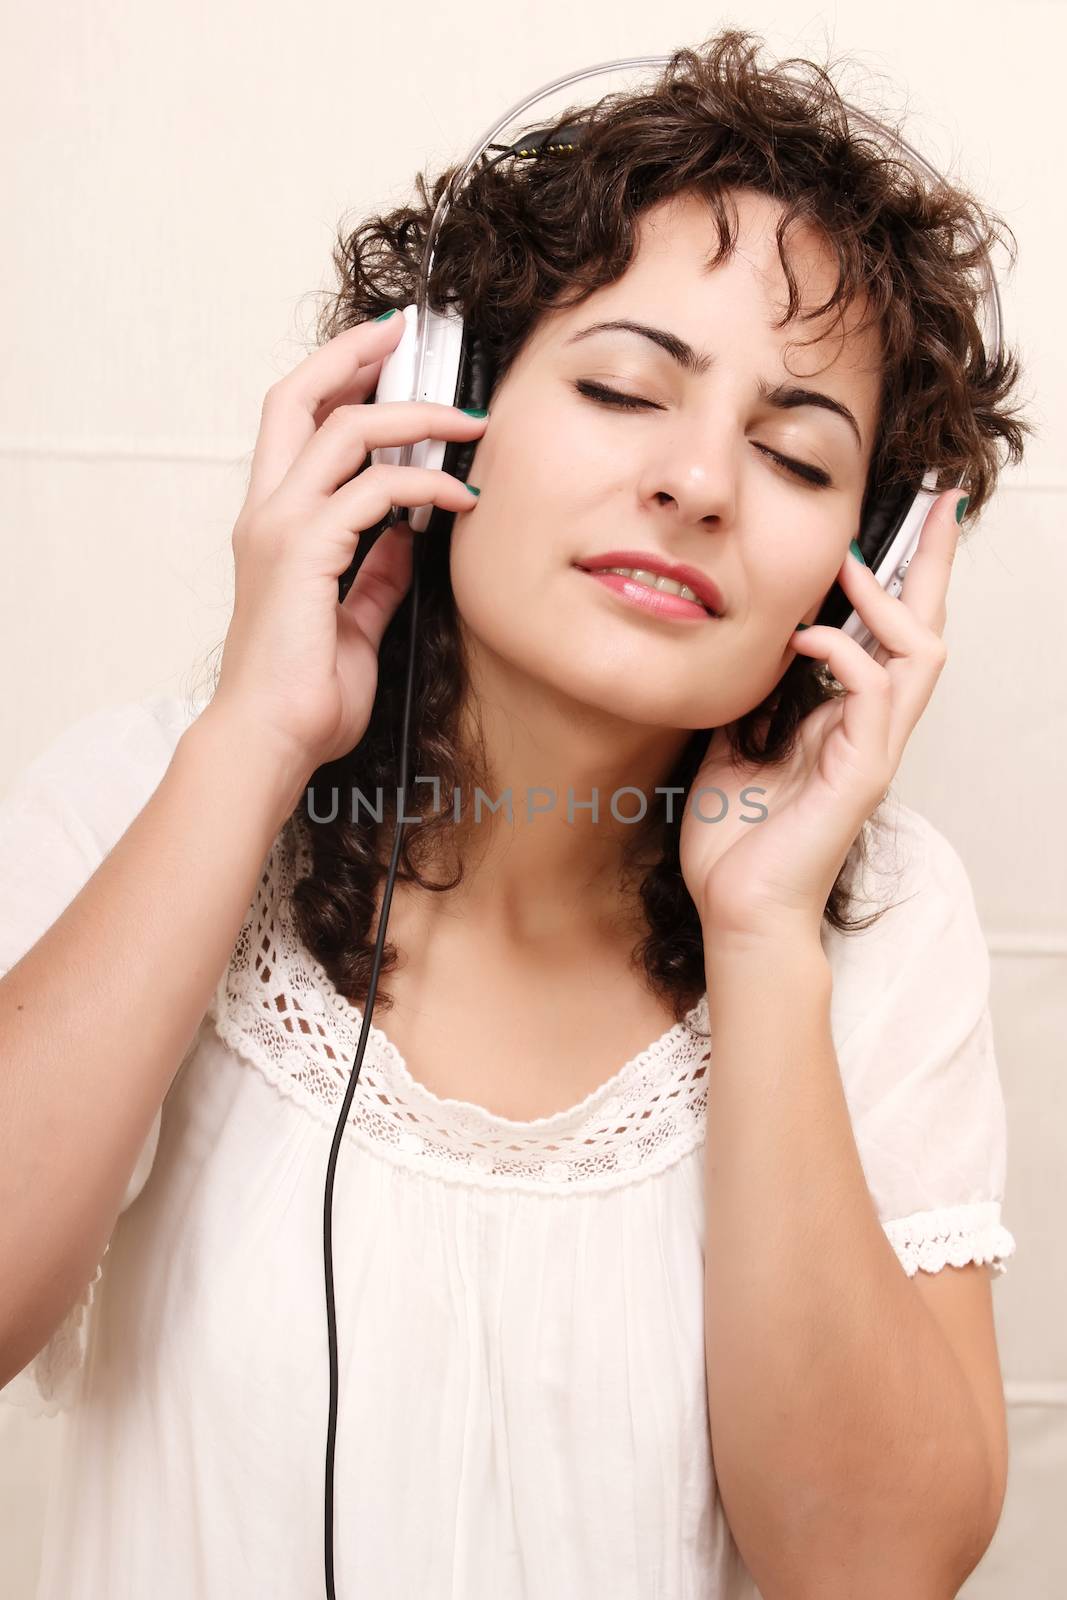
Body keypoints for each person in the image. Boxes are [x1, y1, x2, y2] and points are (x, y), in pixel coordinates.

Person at [0, 28, 1031, 1600]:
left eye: (793, 452)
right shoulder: (145, 797)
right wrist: (255, 740)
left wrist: (763, 935)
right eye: (626, 386)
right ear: (437, 400)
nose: (698, 482)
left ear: (865, 567)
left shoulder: (882, 922)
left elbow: (876, 1568)